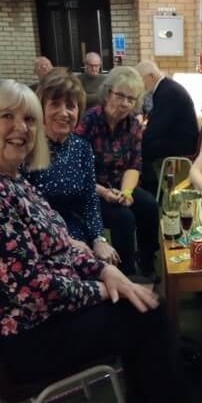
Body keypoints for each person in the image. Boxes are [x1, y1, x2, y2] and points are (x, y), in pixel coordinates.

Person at [0, 78, 202, 403]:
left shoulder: (14, 180)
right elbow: (34, 288)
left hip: (51, 308)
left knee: (136, 293)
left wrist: (105, 270)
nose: (21, 129)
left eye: (27, 120)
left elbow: (63, 240)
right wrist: (102, 288)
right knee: (146, 307)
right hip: (26, 340)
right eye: (7, 117)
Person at [75, 64, 157, 280]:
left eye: (131, 99)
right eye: (120, 95)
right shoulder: (89, 121)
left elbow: (134, 164)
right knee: (124, 218)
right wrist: (104, 192)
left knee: (149, 205)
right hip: (91, 189)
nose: (124, 104)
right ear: (108, 91)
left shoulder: (133, 126)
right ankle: (126, 273)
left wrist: (127, 193)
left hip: (120, 186)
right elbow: (77, 170)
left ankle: (147, 263)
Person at [27, 73, 116, 259]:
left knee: (109, 264)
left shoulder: (81, 147)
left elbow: (90, 199)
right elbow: (26, 213)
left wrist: (99, 239)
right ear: (41, 109)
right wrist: (65, 239)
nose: (64, 112)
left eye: (70, 106)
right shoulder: (27, 148)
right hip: (39, 239)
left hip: (77, 230)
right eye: (55, 104)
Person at [138, 61, 199, 192]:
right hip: (178, 138)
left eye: (141, 80)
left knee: (140, 152)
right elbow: (157, 121)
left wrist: (138, 140)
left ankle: (152, 193)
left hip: (181, 144)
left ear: (151, 76)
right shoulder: (166, 87)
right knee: (142, 146)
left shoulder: (167, 92)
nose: (140, 85)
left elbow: (156, 128)